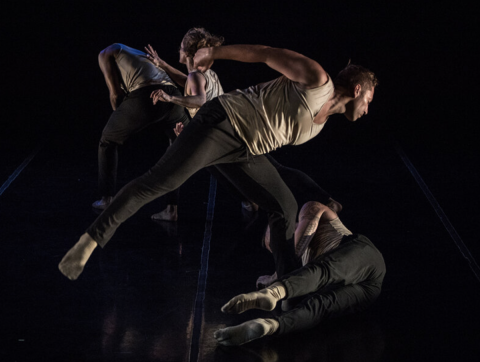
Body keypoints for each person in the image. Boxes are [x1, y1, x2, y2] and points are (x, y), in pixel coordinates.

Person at [59, 43, 377, 281]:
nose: (367, 109)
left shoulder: (322, 122)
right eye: (369, 100)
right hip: (222, 122)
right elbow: (265, 53)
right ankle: (88, 242)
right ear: (358, 89)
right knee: (159, 182)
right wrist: (214, 53)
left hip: (246, 150)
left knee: (284, 208)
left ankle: (285, 283)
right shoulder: (317, 79)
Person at [213, 201, 386, 346]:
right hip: (368, 291)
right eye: (273, 248)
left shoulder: (310, 209)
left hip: (364, 257)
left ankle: (272, 293)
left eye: (278, 239)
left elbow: (307, 232)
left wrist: (276, 277)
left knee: (324, 270)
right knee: (319, 307)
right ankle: (269, 326)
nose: (279, 247)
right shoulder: (300, 266)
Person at [93, 43, 189, 209]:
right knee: (178, 149)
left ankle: (106, 199)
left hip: (147, 94)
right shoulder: (133, 53)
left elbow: (115, 94)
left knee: (108, 140)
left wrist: (119, 118)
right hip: (173, 97)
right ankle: (171, 210)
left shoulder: (105, 53)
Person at [144, 27, 225, 221]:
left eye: (181, 47)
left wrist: (170, 98)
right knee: (225, 168)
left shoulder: (195, 76)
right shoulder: (203, 74)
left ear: (188, 53)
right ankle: (249, 201)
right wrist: (162, 64)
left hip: (210, 134)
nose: (178, 50)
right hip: (219, 131)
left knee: (172, 163)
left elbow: (199, 100)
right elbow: (187, 83)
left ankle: (171, 211)